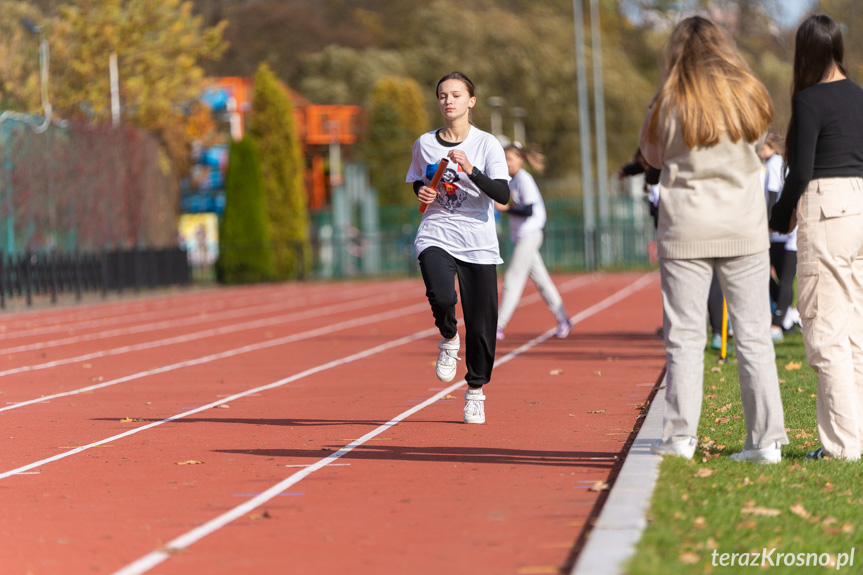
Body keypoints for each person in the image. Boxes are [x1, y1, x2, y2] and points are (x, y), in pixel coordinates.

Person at [638, 16, 788, 463]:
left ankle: (681, 436)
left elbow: (651, 156)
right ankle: (765, 441)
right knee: (754, 334)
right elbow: (761, 140)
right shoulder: (750, 93)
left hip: (686, 225)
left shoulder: (668, 100)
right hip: (743, 224)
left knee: (684, 334)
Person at [769, 14, 863, 461]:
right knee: (858, 332)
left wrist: (780, 215)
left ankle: (843, 447)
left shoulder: (809, 101)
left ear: (805, 53)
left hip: (828, 208)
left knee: (827, 331)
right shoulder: (861, 97)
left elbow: (802, 171)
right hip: (862, 206)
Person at [407, 71, 510, 425]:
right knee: (441, 295)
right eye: (442, 96)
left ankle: (476, 391)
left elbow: (503, 196)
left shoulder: (487, 144)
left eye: (455, 95)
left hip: (478, 243)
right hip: (437, 231)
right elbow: (419, 181)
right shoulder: (425, 143)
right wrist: (421, 192)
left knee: (481, 326)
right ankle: (449, 335)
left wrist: (472, 170)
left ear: (471, 101)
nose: (447, 101)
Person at [494, 143, 571, 341]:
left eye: (510, 158)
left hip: (530, 234)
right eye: (504, 159)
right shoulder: (510, 181)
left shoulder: (524, 179)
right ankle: (563, 319)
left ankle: (499, 325)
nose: (506, 162)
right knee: (542, 280)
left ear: (520, 160)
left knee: (512, 278)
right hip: (521, 236)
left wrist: (506, 208)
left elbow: (528, 210)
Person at [759, 133, 799, 343]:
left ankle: (778, 322)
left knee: (783, 279)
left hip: (783, 234)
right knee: (772, 277)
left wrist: (769, 223)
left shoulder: (775, 164)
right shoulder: (774, 163)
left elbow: (773, 195)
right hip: (780, 234)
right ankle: (787, 317)